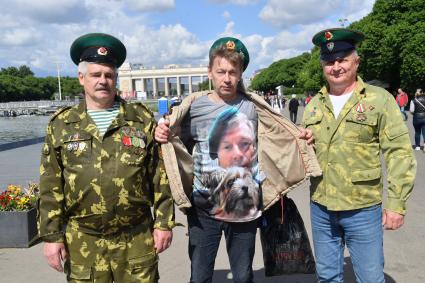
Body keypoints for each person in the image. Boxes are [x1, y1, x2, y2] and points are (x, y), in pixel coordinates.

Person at [155, 37, 321, 283]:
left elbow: (278, 133)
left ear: (241, 73)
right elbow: (177, 141)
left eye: (233, 72)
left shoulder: (252, 107)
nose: (227, 78)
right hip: (204, 211)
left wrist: (301, 136)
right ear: (210, 72)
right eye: (220, 71)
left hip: (245, 209)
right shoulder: (195, 107)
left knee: (243, 276)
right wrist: (162, 131)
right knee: (199, 276)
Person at [38, 33, 175, 283]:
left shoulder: (141, 119)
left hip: (135, 238)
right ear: (82, 78)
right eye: (96, 74)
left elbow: (160, 174)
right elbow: (50, 186)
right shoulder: (61, 124)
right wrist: (51, 237)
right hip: (83, 241)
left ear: (116, 78)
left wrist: (164, 223)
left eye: (109, 75)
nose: (103, 81)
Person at [303, 28, 416, 283]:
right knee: (327, 276)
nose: (336, 67)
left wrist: (397, 204)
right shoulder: (312, 105)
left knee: (370, 277)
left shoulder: (379, 100)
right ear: (323, 66)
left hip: (362, 208)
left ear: (356, 61)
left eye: (342, 59)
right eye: (329, 62)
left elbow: (399, 153)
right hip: (321, 206)